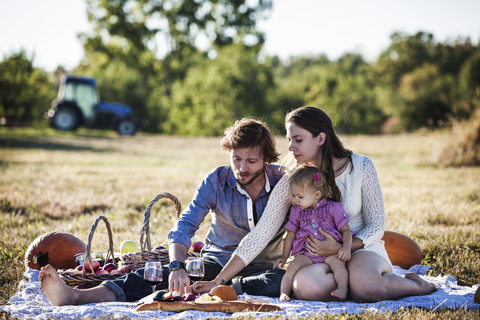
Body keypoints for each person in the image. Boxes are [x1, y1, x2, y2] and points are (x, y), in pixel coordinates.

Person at [195, 106, 436, 302]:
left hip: (360, 248)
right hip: (315, 256)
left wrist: (341, 248)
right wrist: (220, 281)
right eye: (290, 139)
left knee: (367, 289)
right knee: (307, 288)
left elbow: (376, 226)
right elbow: (261, 234)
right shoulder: (293, 178)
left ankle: (416, 285)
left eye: (297, 139)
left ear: (321, 138)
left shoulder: (361, 166)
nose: (290, 147)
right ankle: (347, 283)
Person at [39, 118, 288, 305]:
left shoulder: (284, 182)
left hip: (262, 268)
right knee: (155, 275)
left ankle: (228, 287)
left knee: (283, 282)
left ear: (267, 159)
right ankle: (75, 296)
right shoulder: (216, 180)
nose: (241, 168)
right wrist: (178, 264)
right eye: (236, 159)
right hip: (215, 262)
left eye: (251, 161)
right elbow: (184, 226)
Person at [275, 164, 354, 301]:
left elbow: (346, 229)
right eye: (294, 196)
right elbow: (291, 235)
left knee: (339, 265)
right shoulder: (296, 211)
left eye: (299, 196)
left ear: (317, 194)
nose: (295, 200)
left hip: (330, 252)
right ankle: (284, 293)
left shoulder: (333, 208)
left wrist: (346, 247)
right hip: (307, 253)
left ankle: (342, 287)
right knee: (293, 266)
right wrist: (284, 255)